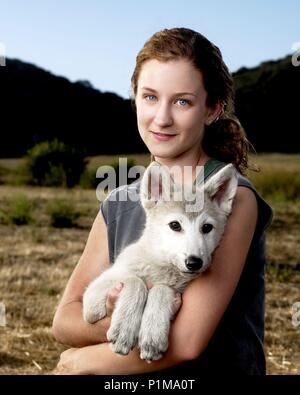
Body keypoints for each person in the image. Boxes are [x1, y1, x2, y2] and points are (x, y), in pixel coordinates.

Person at [52, 27, 272, 375]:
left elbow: (186, 343)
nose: (162, 118)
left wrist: (81, 361)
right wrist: (120, 308)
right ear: (135, 99)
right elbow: (64, 320)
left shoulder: (232, 198)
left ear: (212, 109)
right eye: (150, 97)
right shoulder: (119, 202)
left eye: (182, 101)